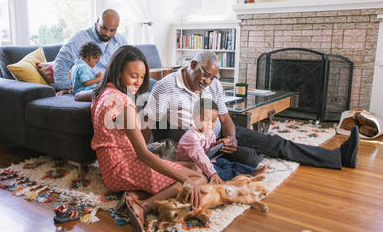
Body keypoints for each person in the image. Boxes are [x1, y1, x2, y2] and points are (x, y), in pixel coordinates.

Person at [142, 50, 360, 171]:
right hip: (196, 144)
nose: (207, 81)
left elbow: (226, 118)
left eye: (212, 77)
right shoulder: (166, 86)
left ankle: (339, 157)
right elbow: (147, 124)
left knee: (275, 142)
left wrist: (233, 137)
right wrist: (138, 155)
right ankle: (238, 157)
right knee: (251, 159)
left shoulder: (214, 85)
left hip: (218, 134)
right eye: (204, 75)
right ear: (191, 65)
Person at [90, 45, 210, 232]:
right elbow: (143, 154)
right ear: (118, 72)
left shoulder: (101, 93)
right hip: (123, 168)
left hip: (108, 167)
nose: (138, 82)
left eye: (142, 76)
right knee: (198, 178)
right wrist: (185, 179)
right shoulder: (124, 103)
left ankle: (133, 195)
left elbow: (81, 95)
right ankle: (143, 206)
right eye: (133, 76)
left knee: (192, 165)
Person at [176, 98, 268, 185]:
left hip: (208, 159)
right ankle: (239, 177)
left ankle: (252, 171)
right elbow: (200, 157)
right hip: (193, 165)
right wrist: (212, 173)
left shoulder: (208, 132)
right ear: (195, 118)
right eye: (205, 120)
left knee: (226, 162)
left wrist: (218, 143)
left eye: (213, 121)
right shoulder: (191, 137)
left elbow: (210, 147)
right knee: (218, 171)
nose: (209, 124)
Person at [53, 8, 127, 96]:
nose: (107, 34)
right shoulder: (79, 38)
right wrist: (63, 87)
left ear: (117, 27)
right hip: (89, 89)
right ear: (98, 21)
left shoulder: (121, 40)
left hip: (115, 86)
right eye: (104, 28)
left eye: (112, 30)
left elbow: (128, 64)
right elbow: (61, 62)